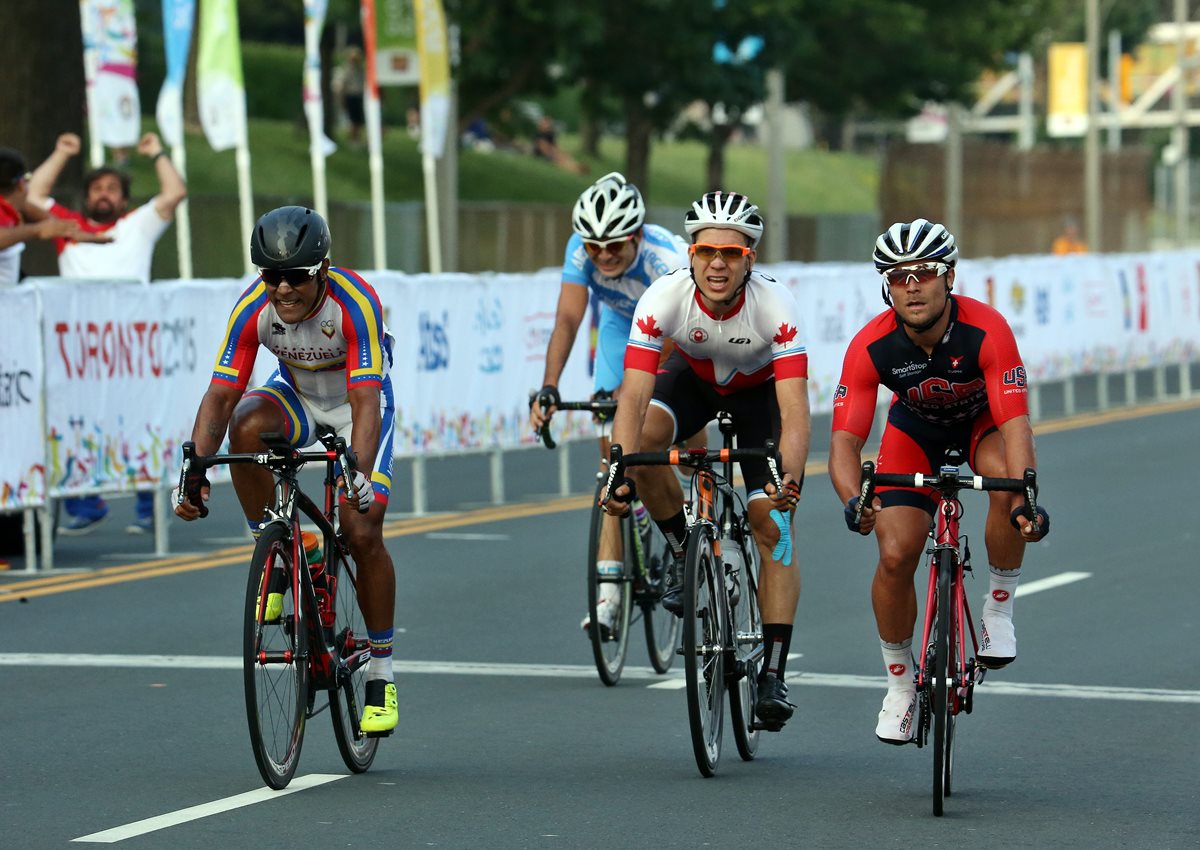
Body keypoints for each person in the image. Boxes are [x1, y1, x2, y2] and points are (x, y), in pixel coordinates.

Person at [174, 206, 399, 734]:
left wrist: (357, 475)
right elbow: (222, 394)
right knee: (247, 427)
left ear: (322, 268)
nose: (283, 289)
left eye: (296, 276)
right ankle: (278, 547)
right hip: (297, 397)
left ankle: (382, 673)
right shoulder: (254, 308)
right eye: (271, 275)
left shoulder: (355, 303)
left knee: (362, 528)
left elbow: (366, 403)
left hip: (356, 408)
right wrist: (195, 467)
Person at [828, 219, 1050, 745]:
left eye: (924, 273)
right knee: (896, 551)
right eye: (898, 275)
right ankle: (900, 686)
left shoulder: (986, 329)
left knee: (1005, 482)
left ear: (948, 277)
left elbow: (1015, 423)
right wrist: (853, 501)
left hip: (981, 423)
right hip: (914, 431)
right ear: (886, 285)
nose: (912, 285)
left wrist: (1027, 497)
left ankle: (998, 606)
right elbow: (843, 442)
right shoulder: (871, 346)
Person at [601, 191, 810, 731]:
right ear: (690, 254)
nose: (718, 264)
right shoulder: (663, 297)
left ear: (750, 260)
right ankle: (681, 552)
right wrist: (620, 468)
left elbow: (794, 411)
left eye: (732, 254)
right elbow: (634, 396)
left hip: (758, 396)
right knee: (645, 445)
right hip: (692, 382)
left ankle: (774, 674)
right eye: (707, 251)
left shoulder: (775, 305)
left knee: (773, 527)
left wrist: (788, 479)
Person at [529, 172, 690, 639]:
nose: (602, 255)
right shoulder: (579, 250)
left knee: (682, 442)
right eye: (594, 246)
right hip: (623, 327)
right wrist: (549, 387)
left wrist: (634, 392)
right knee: (614, 464)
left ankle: (699, 534)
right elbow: (568, 319)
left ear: (637, 235)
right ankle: (609, 595)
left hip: (674, 336)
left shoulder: (666, 259)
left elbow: (678, 340)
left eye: (614, 245)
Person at [26, 131, 187, 535]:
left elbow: (174, 192)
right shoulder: (67, 229)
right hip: (79, 354)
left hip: (130, 352)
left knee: (139, 423)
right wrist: (62, 152)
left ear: (123, 201)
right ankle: (85, 504)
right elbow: (31, 194)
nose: (104, 195)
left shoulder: (137, 226)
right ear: (86, 196)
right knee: (75, 423)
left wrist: (157, 154)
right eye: (97, 188)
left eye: (112, 189)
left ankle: (149, 507)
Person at [0, 147, 107, 285]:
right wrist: (38, 230)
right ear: (21, 184)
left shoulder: (10, 207)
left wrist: (68, 231)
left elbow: (26, 207)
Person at [332, 46, 366, 147]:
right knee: (353, 121)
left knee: (358, 121)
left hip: (359, 96)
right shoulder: (346, 69)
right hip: (351, 96)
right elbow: (342, 86)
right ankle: (352, 140)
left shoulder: (360, 69)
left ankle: (357, 139)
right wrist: (341, 100)